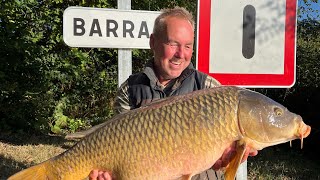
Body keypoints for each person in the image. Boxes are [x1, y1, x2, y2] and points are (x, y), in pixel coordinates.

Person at [89, 6, 257, 180]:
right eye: (173, 44)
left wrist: (228, 160)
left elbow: (223, 164)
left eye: (187, 46)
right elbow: (115, 149)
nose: (180, 54)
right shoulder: (130, 90)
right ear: (153, 42)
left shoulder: (209, 88)